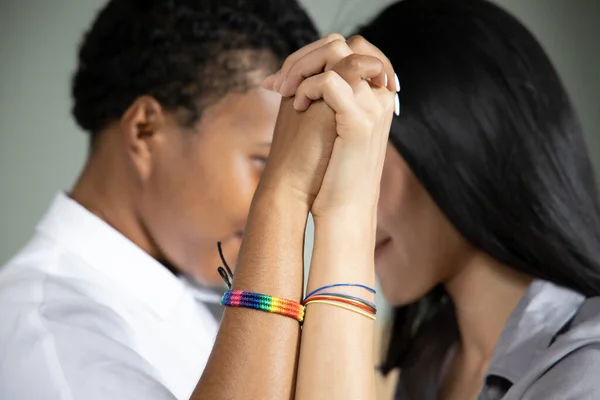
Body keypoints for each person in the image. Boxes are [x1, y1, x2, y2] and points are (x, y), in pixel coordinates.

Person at [0, 1, 318, 399]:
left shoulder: (203, 289)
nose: (281, 198)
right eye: (265, 162)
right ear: (145, 130)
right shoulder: (52, 349)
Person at [355, 0, 600, 399]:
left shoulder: (587, 365)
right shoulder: (429, 360)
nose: (350, 204)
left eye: (366, 156)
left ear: (456, 137)